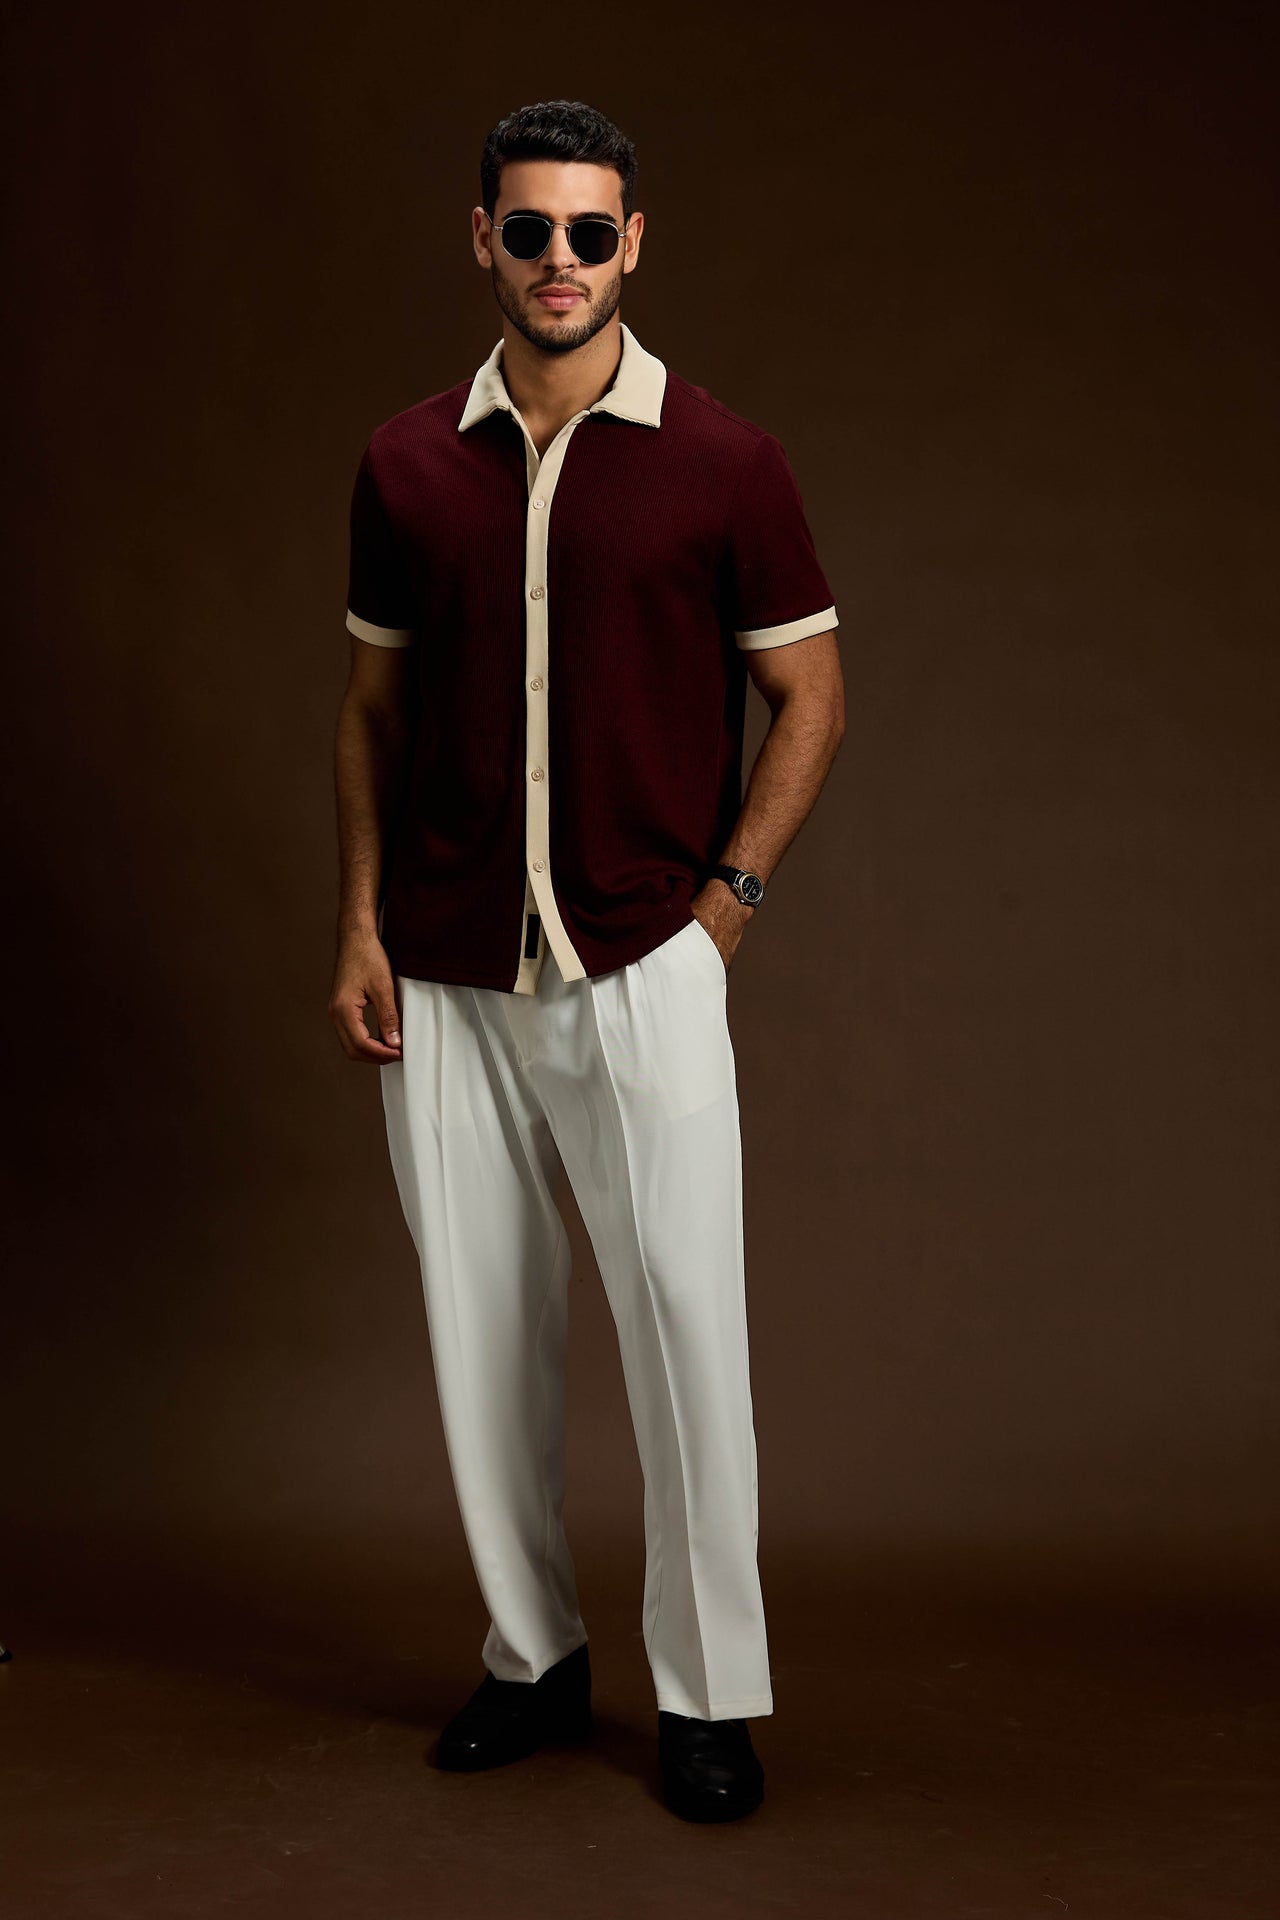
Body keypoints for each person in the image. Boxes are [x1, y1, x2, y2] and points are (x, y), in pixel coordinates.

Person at [328, 98, 844, 1823]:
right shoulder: (406, 463)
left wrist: (728, 904)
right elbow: (371, 711)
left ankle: (706, 1696)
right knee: (481, 1332)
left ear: (636, 245)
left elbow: (812, 694)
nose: (563, 260)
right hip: (446, 962)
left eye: (592, 231)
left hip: (643, 953)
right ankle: (531, 1657)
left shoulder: (727, 462)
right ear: (483, 238)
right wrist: (359, 922)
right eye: (531, 229)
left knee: (689, 1331)